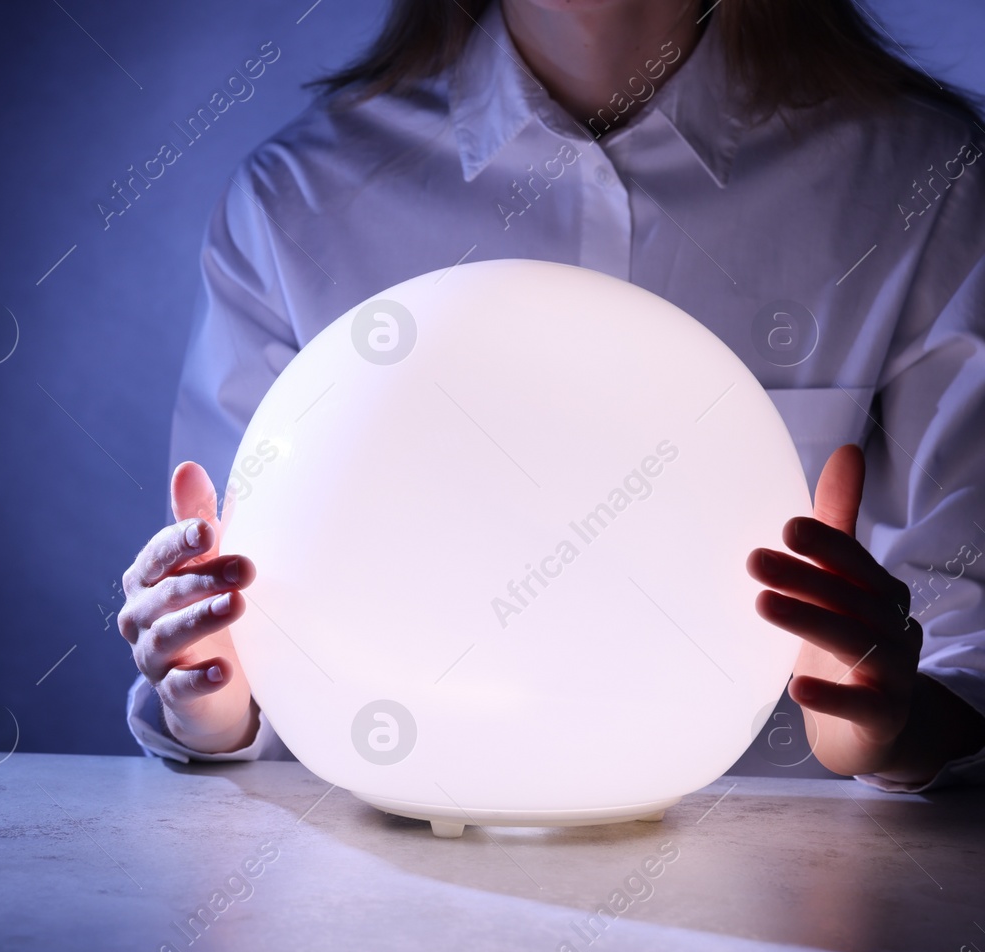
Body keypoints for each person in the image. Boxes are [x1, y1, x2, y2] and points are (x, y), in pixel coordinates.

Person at [117, 0, 985, 791]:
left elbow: (963, 663)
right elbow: (250, 678)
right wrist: (208, 689)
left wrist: (886, 726)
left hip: (797, 910)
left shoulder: (921, 184)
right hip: (388, 887)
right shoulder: (296, 203)